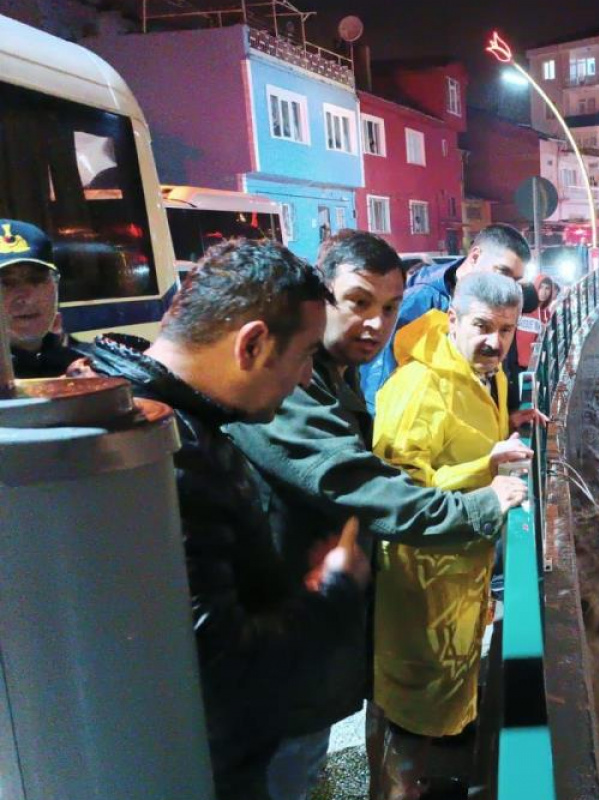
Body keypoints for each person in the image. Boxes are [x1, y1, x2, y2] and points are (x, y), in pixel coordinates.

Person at [222, 231, 528, 800]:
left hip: (321, 626)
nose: (376, 324)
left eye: (389, 307)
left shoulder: (337, 379)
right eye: (358, 302)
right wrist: (480, 499)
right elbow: (372, 483)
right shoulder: (292, 385)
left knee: (318, 760)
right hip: (286, 644)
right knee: (296, 770)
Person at [87, 239, 372, 800]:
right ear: (254, 343)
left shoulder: (152, 419)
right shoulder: (168, 456)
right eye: (305, 354)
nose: (303, 377)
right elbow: (222, 661)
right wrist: (335, 591)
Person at [370, 273, 533, 798]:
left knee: (440, 712)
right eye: (483, 326)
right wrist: (483, 466)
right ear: (454, 320)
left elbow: (466, 442)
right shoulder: (418, 387)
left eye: (506, 330)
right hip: (420, 585)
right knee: (410, 728)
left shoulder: (488, 374)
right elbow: (395, 493)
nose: (496, 341)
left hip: (462, 575)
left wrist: (512, 424)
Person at [358, 224, 531, 415]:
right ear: (474, 256)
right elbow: (380, 380)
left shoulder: (496, 304)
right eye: (503, 272)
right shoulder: (420, 301)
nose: (507, 285)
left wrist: (508, 414)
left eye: (515, 280)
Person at [0, 219, 88, 378]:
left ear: (56, 284)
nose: (26, 297)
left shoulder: (87, 366)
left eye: (37, 280)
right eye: (6, 283)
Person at [513, 273, 557, 371]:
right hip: (516, 365)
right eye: (540, 287)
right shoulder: (524, 307)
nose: (543, 292)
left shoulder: (547, 314)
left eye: (547, 288)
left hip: (535, 365)